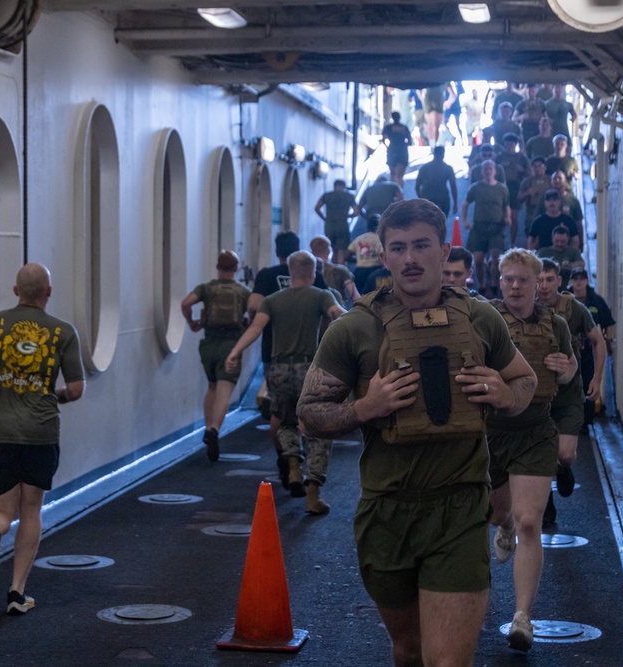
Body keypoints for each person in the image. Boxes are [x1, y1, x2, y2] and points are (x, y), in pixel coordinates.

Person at [296, 198, 537, 667]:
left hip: (461, 506)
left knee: (446, 661)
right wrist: (366, 407)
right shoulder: (355, 327)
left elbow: (524, 379)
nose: (410, 258)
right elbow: (308, 414)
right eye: (398, 248)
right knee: (409, 650)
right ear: (383, 256)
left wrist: (505, 397)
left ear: (443, 252)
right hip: (386, 511)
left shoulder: (481, 318)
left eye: (422, 245)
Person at [0, 263, 85, 615]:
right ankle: (17, 593)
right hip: (41, 431)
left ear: (15, 291)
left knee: (0, 510)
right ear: (48, 292)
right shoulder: (63, 331)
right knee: (31, 509)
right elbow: (76, 389)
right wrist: (53, 395)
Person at [487, 250, 577, 653]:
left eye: (523, 279)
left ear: (538, 282)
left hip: (536, 430)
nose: (515, 286)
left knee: (529, 522)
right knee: (498, 514)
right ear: (500, 280)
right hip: (490, 430)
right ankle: (502, 526)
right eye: (508, 279)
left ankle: (522, 617)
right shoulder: (485, 319)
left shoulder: (555, 324)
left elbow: (572, 368)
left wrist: (567, 368)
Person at [226, 250, 344, 515]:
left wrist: (235, 352)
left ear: (290, 273)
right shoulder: (321, 295)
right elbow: (338, 314)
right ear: (313, 273)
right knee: (318, 428)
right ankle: (313, 491)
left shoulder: (272, 300)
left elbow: (255, 329)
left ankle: (292, 464)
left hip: (278, 370)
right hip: (308, 369)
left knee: (286, 421)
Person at [250, 232, 329, 483]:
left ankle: (286, 458)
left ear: (277, 251)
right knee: (313, 418)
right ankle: (313, 484)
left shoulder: (265, 277)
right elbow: (333, 308)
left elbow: (253, 307)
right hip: (309, 359)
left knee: (281, 416)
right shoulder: (316, 285)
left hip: (274, 356)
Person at [537, 259, 606, 527]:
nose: (543, 285)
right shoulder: (525, 308)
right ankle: (546, 506)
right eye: (539, 279)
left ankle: (563, 469)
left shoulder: (574, 309)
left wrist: (596, 378)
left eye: (549, 279)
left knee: (564, 454)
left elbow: (598, 341)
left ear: (559, 281)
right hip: (538, 394)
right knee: (540, 454)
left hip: (568, 393)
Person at [181, 250, 251, 460]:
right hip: (232, 344)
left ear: (218, 266)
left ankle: (207, 425)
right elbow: (257, 307)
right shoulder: (243, 292)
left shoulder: (206, 288)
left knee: (212, 386)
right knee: (224, 391)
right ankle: (214, 430)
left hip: (209, 344)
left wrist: (192, 322)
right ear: (236, 268)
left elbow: (186, 303)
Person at [567, 267, 616, 429]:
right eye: (576, 279)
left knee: (588, 385)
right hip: (568, 352)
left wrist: (609, 343)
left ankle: (585, 422)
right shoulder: (564, 300)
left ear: (587, 281)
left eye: (582, 278)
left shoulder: (596, 301)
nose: (579, 282)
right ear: (571, 281)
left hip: (588, 352)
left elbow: (608, 323)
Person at [462, 160, 511, 295]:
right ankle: (482, 285)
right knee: (478, 259)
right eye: (485, 169)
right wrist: (465, 221)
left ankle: (494, 284)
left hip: (496, 228)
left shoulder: (502, 188)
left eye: (490, 168)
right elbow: (465, 204)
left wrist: (508, 218)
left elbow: (506, 206)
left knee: (496, 258)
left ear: (494, 171)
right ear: (482, 171)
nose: (488, 171)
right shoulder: (475, 187)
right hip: (479, 227)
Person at [495, 133, 531, 247]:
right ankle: (499, 242)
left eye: (512, 143)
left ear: (515, 144)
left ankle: (512, 243)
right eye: (507, 143)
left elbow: (529, 173)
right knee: (500, 216)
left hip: (516, 187)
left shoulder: (522, 157)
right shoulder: (499, 157)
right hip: (501, 188)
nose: (509, 146)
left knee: (513, 217)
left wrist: (522, 170)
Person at [314, 179, 359, 264]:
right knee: (341, 252)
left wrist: (324, 218)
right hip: (343, 224)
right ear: (344, 187)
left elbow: (317, 208)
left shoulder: (326, 195)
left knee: (332, 250)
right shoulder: (349, 196)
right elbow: (356, 212)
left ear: (334, 186)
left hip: (329, 225)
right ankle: (341, 273)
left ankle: (333, 273)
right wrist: (348, 216)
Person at [310, 235, 360, 308]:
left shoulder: (309, 272)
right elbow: (355, 296)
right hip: (338, 312)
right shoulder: (341, 270)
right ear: (329, 251)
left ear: (312, 253)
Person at [415, 146, 457, 219]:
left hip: (427, 197)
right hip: (443, 198)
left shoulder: (425, 167)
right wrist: (455, 203)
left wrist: (421, 199)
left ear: (434, 154)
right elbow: (453, 186)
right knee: (441, 222)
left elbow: (417, 186)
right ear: (443, 155)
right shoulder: (447, 168)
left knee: (427, 222)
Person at [518, 157, 552, 240]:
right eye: (535, 166)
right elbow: (519, 198)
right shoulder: (527, 181)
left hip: (547, 212)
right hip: (531, 213)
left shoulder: (550, 180)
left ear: (545, 167)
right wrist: (528, 193)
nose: (537, 169)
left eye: (540, 166)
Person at [349, 215, 385, 291]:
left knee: (360, 296)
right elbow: (383, 255)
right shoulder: (380, 238)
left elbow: (347, 255)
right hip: (375, 270)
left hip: (359, 271)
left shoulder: (359, 238)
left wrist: (360, 259)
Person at [382, 112, 414, 187]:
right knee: (400, 176)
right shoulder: (404, 127)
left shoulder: (388, 128)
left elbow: (383, 139)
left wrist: (387, 146)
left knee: (393, 174)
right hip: (402, 151)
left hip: (392, 150)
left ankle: (392, 192)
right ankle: (400, 191)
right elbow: (409, 142)